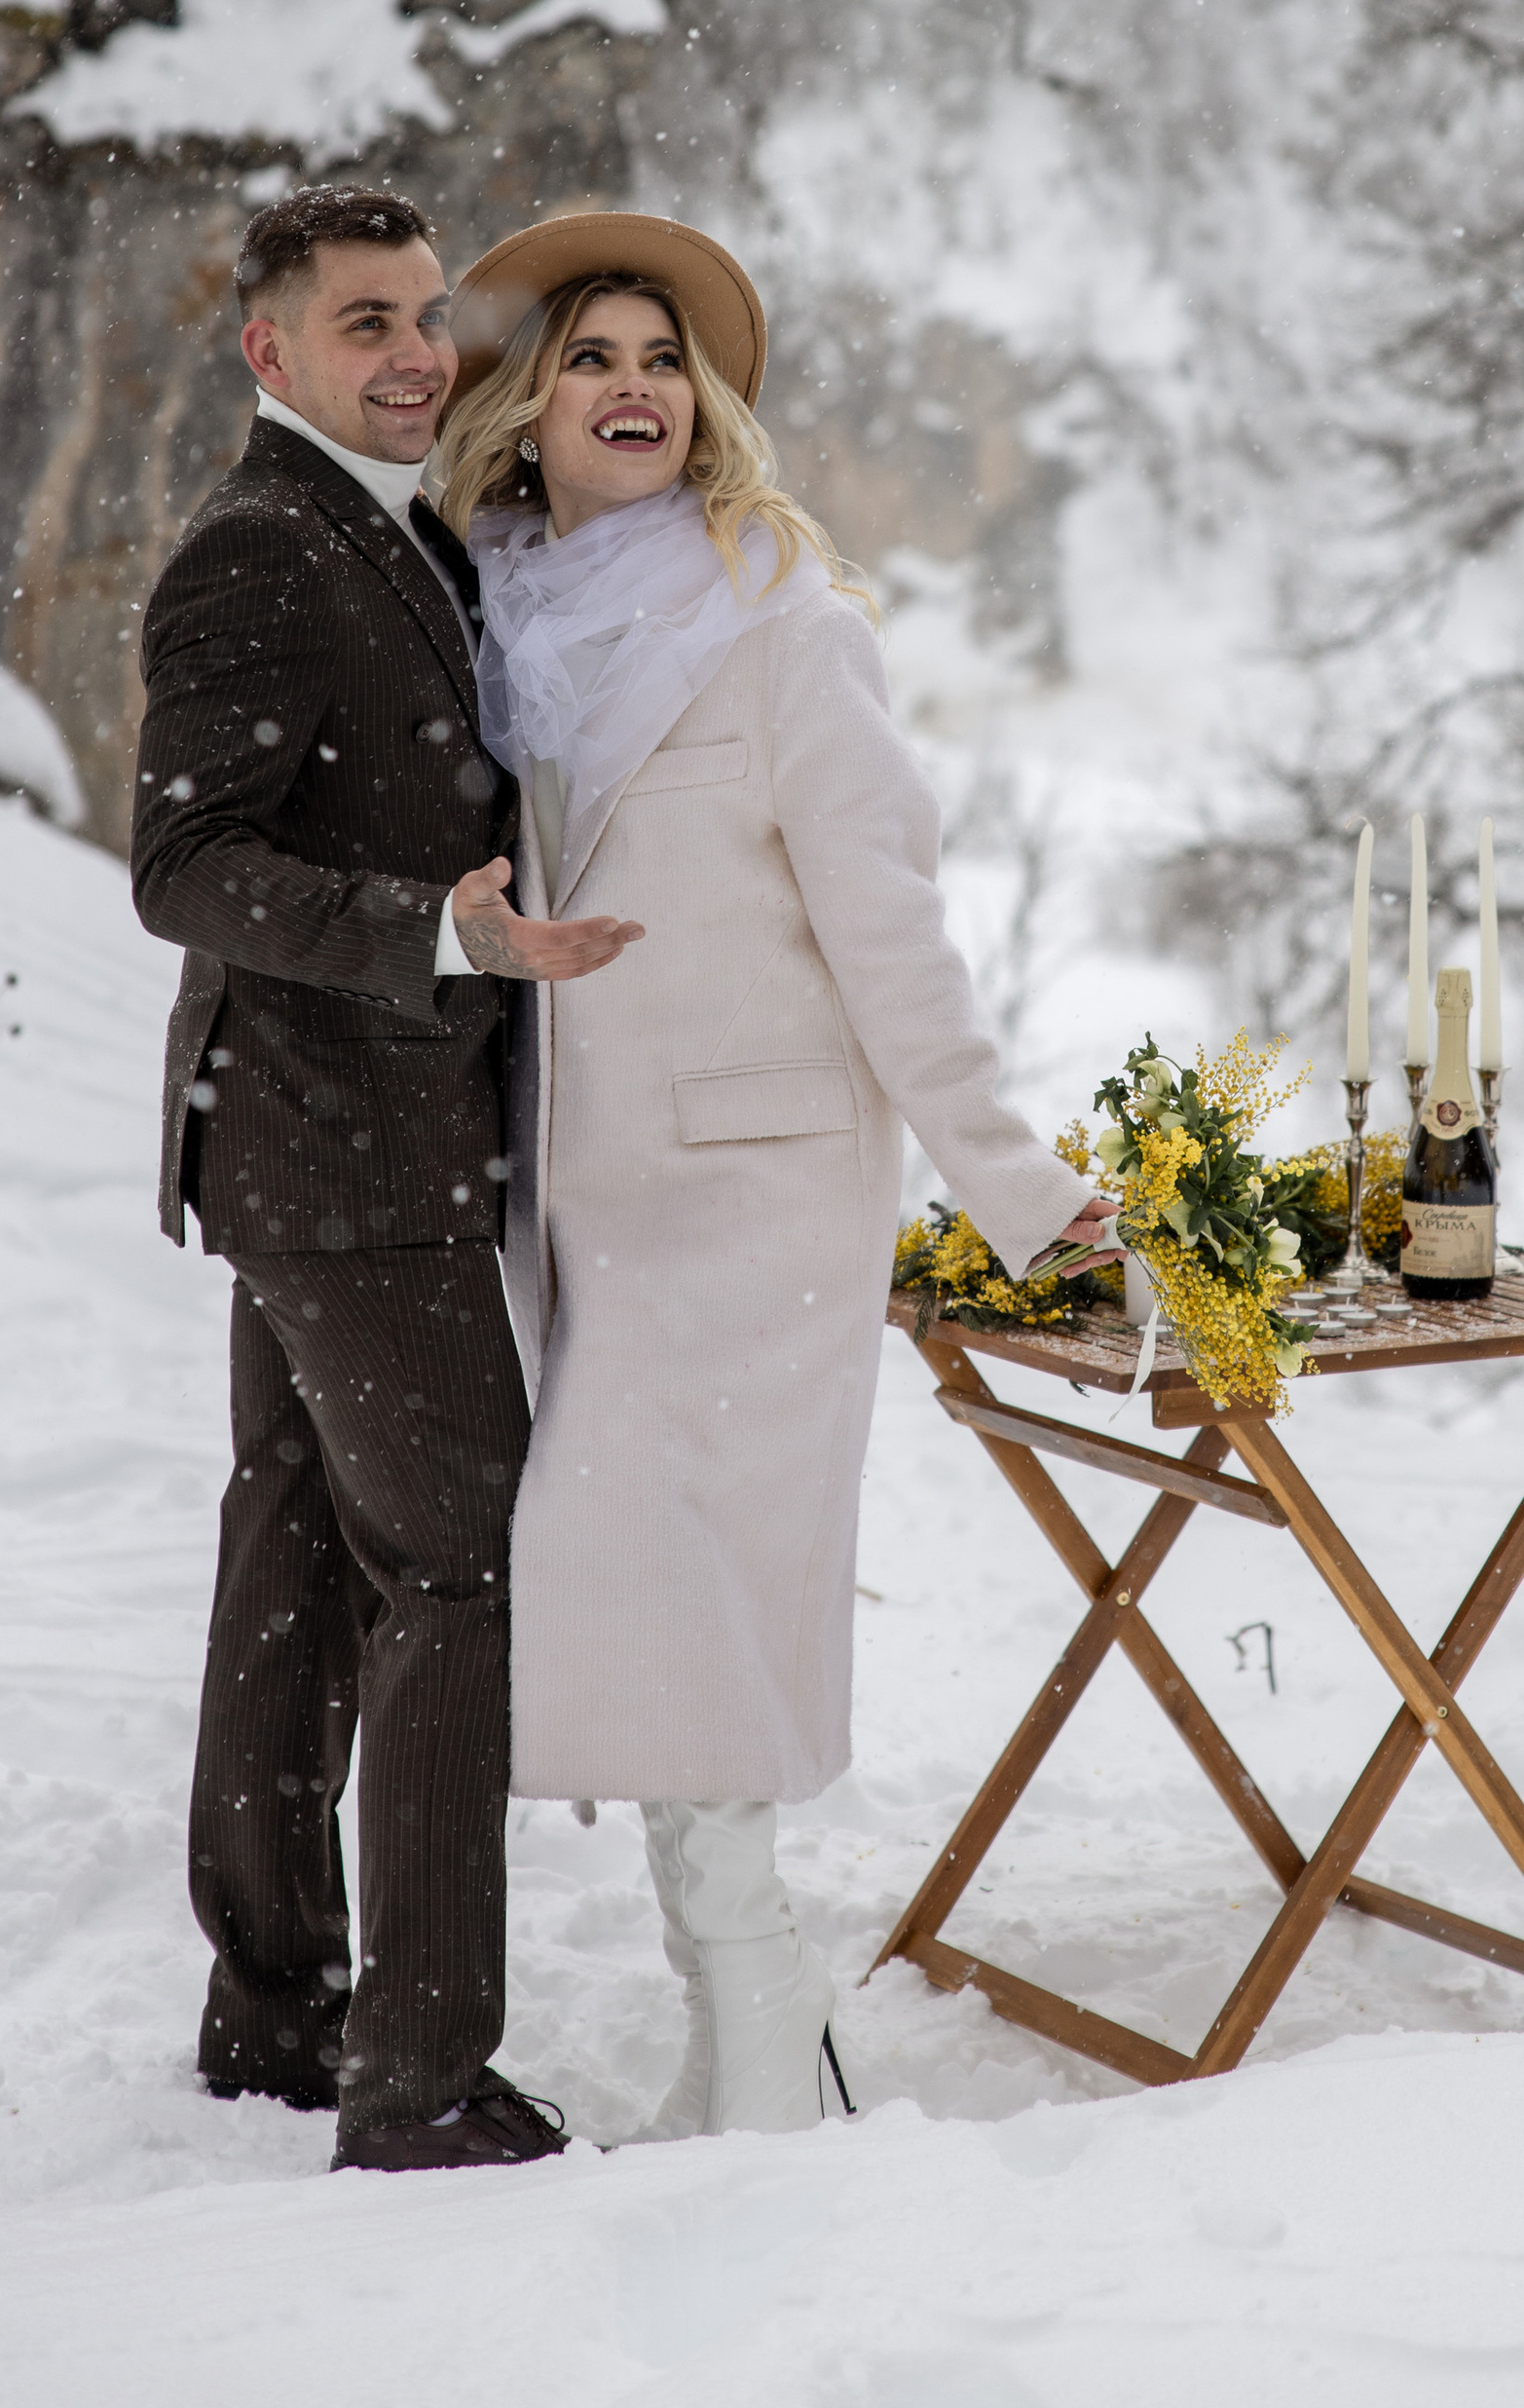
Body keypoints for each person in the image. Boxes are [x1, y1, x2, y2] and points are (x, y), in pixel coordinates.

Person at [429, 207, 1112, 2144]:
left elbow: (887, 931)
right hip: (572, 1202)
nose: (629, 388)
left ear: (704, 406)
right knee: (636, 1598)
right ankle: (750, 2022)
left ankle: (764, 2026)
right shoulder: (491, 627)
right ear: (529, 408)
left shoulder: (782, 626)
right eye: (589, 360)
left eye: (661, 360)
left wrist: (1010, 1180)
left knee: (685, 1596)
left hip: (756, 1190)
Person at [130, 180, 642, 2175]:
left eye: (427, 311)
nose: (416, 348)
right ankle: (417, 2080)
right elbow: (185, 864)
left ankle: (272, 2009)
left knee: (294, 1568)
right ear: (270, 351)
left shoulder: (397, 523)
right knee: (456, 1572)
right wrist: (438, 929)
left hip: (317, 1141)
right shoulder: (261, 549)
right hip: (347, 1149)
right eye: (364, 322)